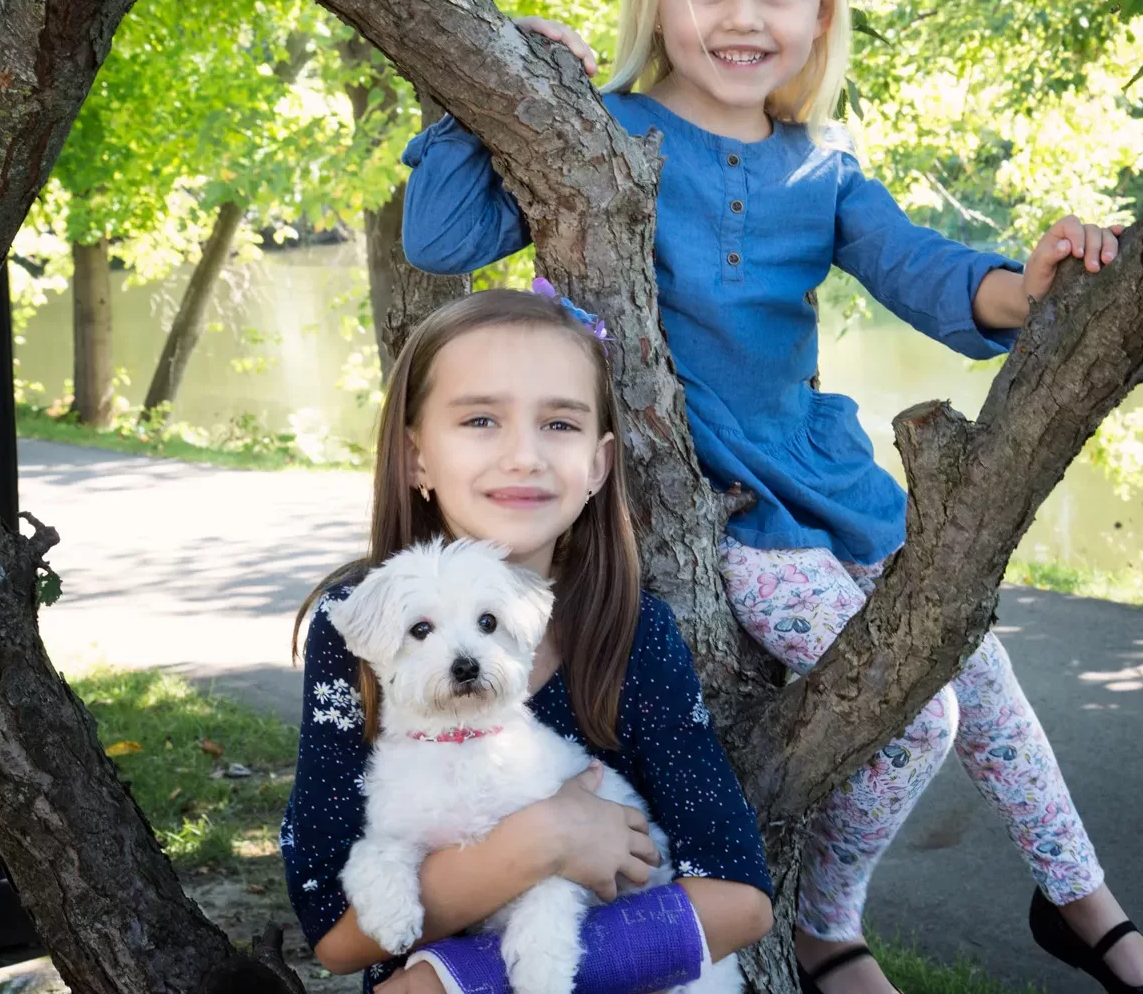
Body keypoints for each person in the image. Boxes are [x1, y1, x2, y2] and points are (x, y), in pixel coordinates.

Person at [397, 0, 1143, 994]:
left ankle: (1088, 911)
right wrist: (507, 80)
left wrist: (1036, 278)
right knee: (917, 719)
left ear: (821, 11)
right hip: (728, 509)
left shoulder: (825, 170)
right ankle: (826, 928)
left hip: (830, 485)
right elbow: (440, 236)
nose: (741, 18)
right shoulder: (599, 128)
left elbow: (933, 277)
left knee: (982, 680)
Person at [280, 288, 774, 994]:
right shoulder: (356, 624)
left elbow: (741, 901)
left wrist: (445, 984)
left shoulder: (634, 634)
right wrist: (542, 842)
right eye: (481, 419)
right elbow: (334, 931)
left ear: (600, 465)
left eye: (559, 424)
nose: (523, 455)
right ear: (416, 456)